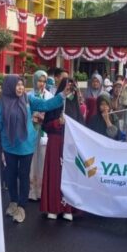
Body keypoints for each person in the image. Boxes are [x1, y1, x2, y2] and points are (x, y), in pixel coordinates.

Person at [0, 75, 66, 223]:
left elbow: (46, 105)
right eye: (17, 85)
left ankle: (22, 206)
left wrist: (62, 95)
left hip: (26, 145)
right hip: (9, 145)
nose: (20, 88)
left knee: (23, 175)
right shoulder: (1, 103)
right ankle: (13, 202)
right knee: (10, 175)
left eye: (22, 85)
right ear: (10, 86)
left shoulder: (28, 100)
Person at [41, 78, 83, 221]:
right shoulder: (55, 102)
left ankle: (68, 208)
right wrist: (56, 122)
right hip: (55, 142)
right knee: (55, 174)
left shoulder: (75, 105)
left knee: (69, 175)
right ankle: (53, 207)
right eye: (67, 87)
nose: (69, 90)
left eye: (72, 87)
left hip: (70, 145)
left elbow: (81, 128)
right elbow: (45, 125)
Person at [28, 70, 52, 201]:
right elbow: (25, 112)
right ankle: (32, 191)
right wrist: (32, 117)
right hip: (31, 131)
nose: (41, 83)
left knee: (43, 159)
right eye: (39, 80)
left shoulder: (49, 96)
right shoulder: (29, 95)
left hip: (44, 132)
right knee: (31, 159)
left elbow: (52, 112)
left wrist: (44, 117)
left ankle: (42, 191)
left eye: (44, 81)